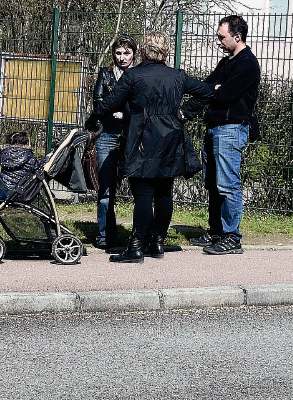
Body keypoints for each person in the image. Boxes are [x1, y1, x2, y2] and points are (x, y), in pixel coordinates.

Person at [85, 32, 211, 263]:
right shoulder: (177, 76)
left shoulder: (133, 75)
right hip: (170, 138)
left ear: (143, 50)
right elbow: (207, 92)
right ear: (165, 51)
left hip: (142, 139)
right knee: (164, 192)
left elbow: (110, 102)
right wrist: (185, 112)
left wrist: (92, 120)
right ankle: (157, 243)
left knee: (143, 193)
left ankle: (136, 246)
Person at [185, 14, 261, 256]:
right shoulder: (226, 63)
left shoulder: (247, 64)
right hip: (215, 127)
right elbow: (205, 87)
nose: (218, 41)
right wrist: (213, 89)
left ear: (237, 37)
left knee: (228, 185)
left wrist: (216, 89)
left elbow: (225, 94)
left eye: (221, 37)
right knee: (213, 184)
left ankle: (231, 237)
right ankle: (216, 231)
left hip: (231, 128)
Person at [89, 36, 136, 250]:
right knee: (106, 188)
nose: (122, 57)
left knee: (138, 188)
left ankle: (138, 235)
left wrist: (125, 114)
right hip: (107, 135)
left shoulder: (139, 74)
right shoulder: (106, 74)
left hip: (131, 136)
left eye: (126, 53)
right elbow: (98, 101)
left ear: (134, 54)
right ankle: (105, 235)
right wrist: (113, 111)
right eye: (118, 53)